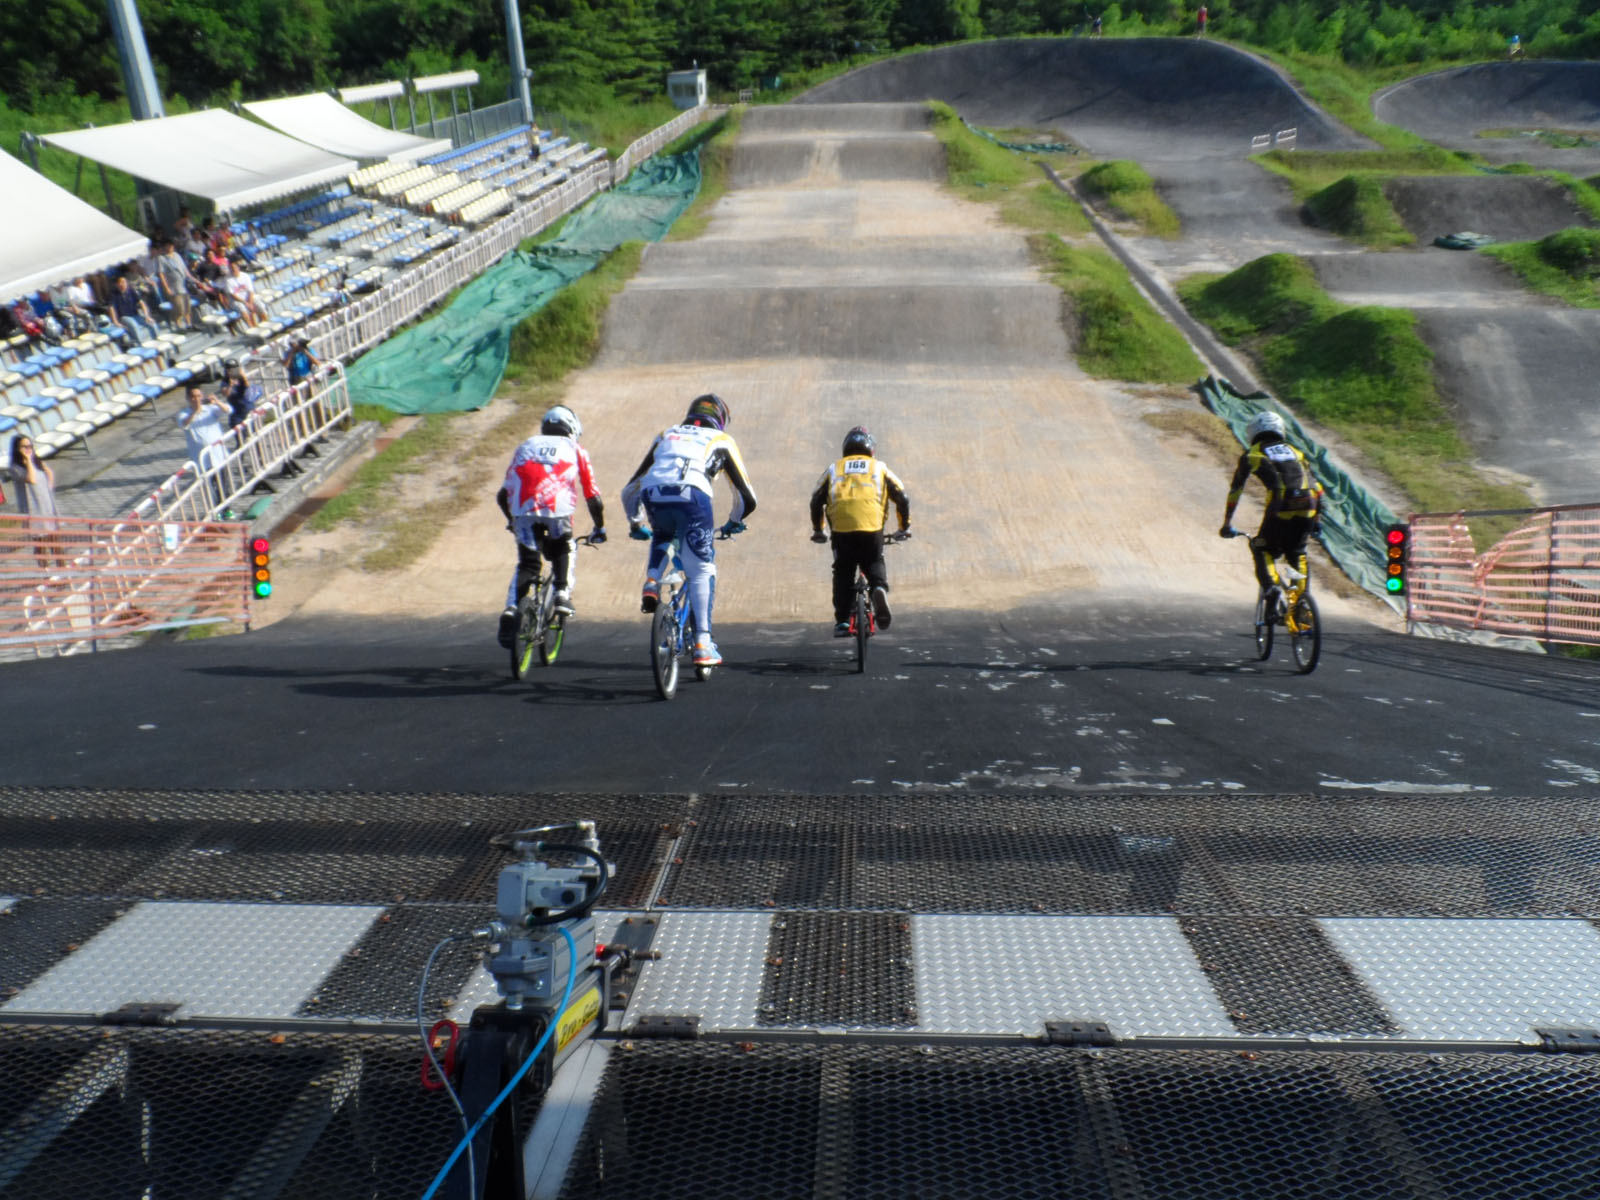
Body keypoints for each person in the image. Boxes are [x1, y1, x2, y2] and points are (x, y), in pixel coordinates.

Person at [620, 393, 757, 668]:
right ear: (720, 420)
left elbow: (629, 489)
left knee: (662, 533)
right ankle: (703, 644)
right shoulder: (721, 440)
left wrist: (635, 522)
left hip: (654, 493)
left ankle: (651, 581)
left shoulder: (666, 434)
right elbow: (746, 496)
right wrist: (734, 520)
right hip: (692, 496)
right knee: (702, 570)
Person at [494, 404, 606, 646]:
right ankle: (562, 595)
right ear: (572, 429)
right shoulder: (576, 449)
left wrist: (511, 521)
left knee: (528, 562)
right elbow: (593, 497)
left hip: (522, 509)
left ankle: (512, 608)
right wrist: (600, 527)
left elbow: (502, 495)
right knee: (564, 547)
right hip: (557, 510)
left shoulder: (525, 446)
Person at [1220, 411, 1324, 617]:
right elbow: (1319, 490)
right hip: (1309, 504)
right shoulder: (1297, 453)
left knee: (1261, 548)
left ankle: (1271, 588)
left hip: (1281, 505)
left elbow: (1236, 491)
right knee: (1297, 552)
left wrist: (1227, 523)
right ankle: (1301, 600)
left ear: (1254, 432)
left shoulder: (1252, 455)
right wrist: (1317, 520)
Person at [810, 426, 911, 637]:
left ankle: (843, 622)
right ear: (871, 449)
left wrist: (819, 530)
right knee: (874, 561)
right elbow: (902, 496)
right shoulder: (879, 467)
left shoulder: (834, 469)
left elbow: (816, 500)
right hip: (871, 528)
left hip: (841, 530)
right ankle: (878, 589)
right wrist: (904, 527)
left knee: (843, 571)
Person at [7, 433, 65, 567]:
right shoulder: (15, 468)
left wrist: (49, 488)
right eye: (24, 447)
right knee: (41, 545)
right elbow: (31, 479)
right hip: (33, 510)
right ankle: (45, 572)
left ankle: (62, 572)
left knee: (55, 542)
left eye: (30, 446)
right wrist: (28, 461)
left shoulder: (36, 462)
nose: (28, 449)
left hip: (46, 506)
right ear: (17, 449)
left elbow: (48, 472)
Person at [176, 384, 231, 475]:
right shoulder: (184, 413)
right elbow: (184, 424)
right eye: (193, 397)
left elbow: (228, 410)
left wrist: (216, 401)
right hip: (202, 458)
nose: (197, 399)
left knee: (224, 481)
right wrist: (195, 412)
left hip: (218, 454)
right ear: (188, 398)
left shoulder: (210, 409)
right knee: (209, 485)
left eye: (199, 396)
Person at [107, 274, 157, 345]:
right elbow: (111, 308)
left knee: (152, 324)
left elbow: (142, 303)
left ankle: (156, 340)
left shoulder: (131, 291)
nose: (122, 284)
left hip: (135, 315)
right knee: (133, 325)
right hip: (124, 317)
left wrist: (147, 316)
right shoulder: (113, 294)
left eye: (123, 282)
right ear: (116, 284)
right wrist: (116, 322)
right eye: (119, 283)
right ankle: (141, 344)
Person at [222, 359, 263, 431]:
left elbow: (249, 390)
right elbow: (226, 394)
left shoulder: (241, 378)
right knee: (242, 437)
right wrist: (230, 385)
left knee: (256, 432)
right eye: (229, 369)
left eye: (234, 369)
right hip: (237, 413)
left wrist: (243, 377)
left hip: (249, 410)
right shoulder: (225, 381)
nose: (231, 371)